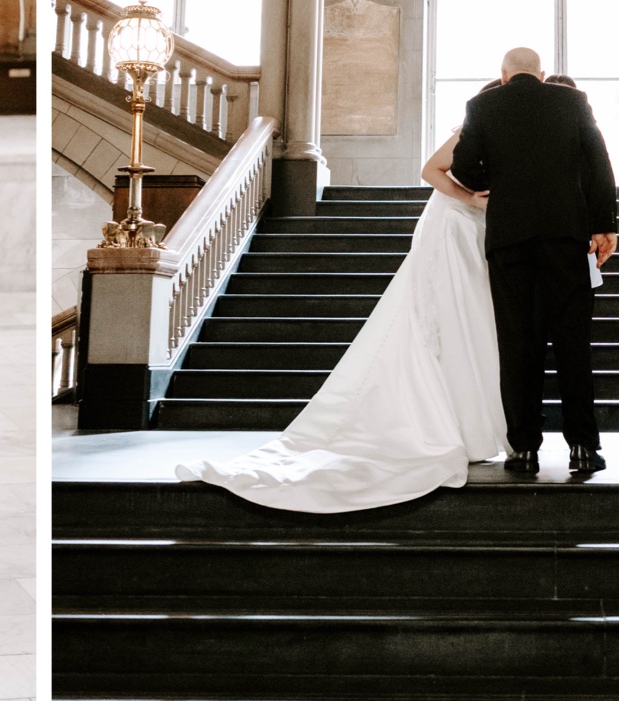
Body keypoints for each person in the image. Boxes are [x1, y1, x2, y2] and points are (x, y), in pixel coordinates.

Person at [178, 92, 506, 511]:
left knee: (468, 319)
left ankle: (470, 420)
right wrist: (470, 198)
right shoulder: (470, 130)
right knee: (437, 315)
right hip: (451, 223)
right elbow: (430, 170)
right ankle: (434, 422)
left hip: (475, 229)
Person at [452, 47, 619, 476]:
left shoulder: (482, 105)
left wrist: (503, 183)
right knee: (572, 342)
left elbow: (464, 167)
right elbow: (599, 163)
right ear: (540, 74)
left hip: (510, 240)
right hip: (566, 237)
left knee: (518, 345)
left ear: (503, 75)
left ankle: (524, 448)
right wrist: (604, 225)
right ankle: (583, 445)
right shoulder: (572, 101)